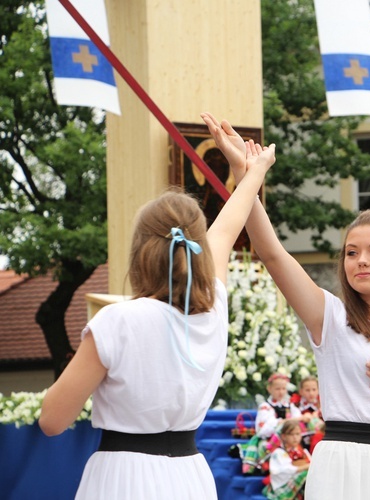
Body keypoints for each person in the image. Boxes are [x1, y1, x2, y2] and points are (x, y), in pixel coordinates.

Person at [203, 112, 370, 500]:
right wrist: (246, 174)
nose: (361, 260)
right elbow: (273, 253)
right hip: (340, 469)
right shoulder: (330, 316)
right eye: (352, 252)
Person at [38, 130, 276, 499]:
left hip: (123, 475)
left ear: (139, 251)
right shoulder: (214, 308)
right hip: (190, 476)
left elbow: (52, 421)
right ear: (197, 249)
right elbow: (227, 230)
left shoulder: (118, 321)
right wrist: (253, 171)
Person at [262, 419, 311, 500]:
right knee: (305, 474)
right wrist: (305, 467)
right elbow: (285, 470)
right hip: (282, 486)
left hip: (298, 487)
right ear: (284, 436)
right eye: (291, 434)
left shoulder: (302, 451)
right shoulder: (279, 452)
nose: (295, 437)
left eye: (298, 434)